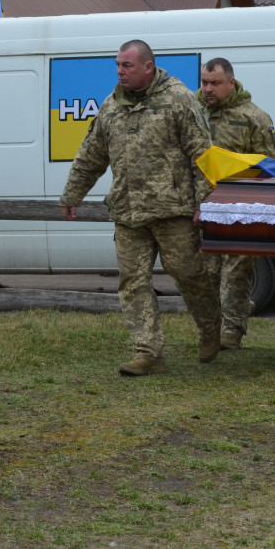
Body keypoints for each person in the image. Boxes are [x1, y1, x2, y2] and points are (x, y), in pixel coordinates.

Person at [60, 39, 222, 375]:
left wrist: (204, 202)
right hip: (128, 212)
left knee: (190, 275)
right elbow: (92, 154)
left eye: (127, 65)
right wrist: (72, 194)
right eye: (118, 65)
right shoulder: (111, 107)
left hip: (173, 211)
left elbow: (203, 155)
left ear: (148, 67)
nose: (120, 71)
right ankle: (147, 353)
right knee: (132, 281)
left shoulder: (179, 101)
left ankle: (210, 326)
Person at [196, 57, 275, 349]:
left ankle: (231, 332)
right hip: (199, 210)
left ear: (231, 83)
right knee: (204, 273)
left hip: (239, 209)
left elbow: (273, 165)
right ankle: (210, 328)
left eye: (215, 83)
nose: (208, 89)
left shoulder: (253, 117)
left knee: (236, 271)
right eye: (205, 83)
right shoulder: (191, 114)